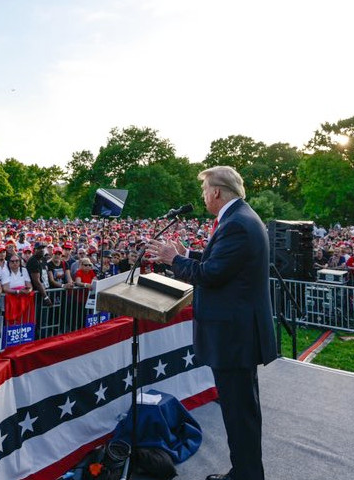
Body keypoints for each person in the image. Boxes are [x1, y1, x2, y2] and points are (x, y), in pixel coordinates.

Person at [147, 165, 277, 480]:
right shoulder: (242, 218)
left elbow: (211, 275)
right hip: (240, 332)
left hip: (234, 336)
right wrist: (188, 252)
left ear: (216, 191)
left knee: (238, 412)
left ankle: (246, 475)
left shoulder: (236, 224)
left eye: (205, 191)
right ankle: (247, 471)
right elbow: (222, 263)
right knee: (242, 410)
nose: (204, 197)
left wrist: (173, 259)